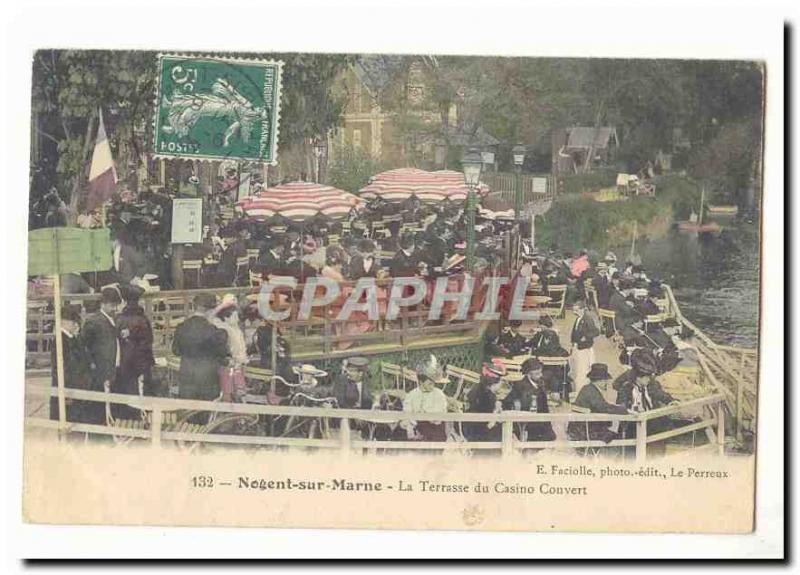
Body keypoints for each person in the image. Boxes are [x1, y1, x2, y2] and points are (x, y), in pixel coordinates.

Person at [172, 293, 229, 401]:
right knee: (206, 414)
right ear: (210, 311)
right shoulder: (215, 332)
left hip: (187, 380)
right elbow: (223, 354)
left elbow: (175, 351)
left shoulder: (182, 327)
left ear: (194, 308)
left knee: (187, 414)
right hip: (208, 382)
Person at [115, 285, 156, 416]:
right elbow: (149, 341)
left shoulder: (119, 319)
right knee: (143, 394)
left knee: (127, 392)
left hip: (124, 361)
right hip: (142, 362)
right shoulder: (143, 320)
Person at [82, 285, 122, 418]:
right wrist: (92, 365)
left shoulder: (115, 318)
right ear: (103, 304)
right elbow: (84, 346)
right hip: (100, 369)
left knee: (113, 403)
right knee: (99, 406)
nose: (115, 308)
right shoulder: (93, 321)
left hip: (114, 366)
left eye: (116, 305)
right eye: (112, 305)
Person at [49, 304, 94, 424]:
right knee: (69, 426)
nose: (76, 325)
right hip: (69, 390)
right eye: (74, 322)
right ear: (64, 321)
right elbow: (63, 369)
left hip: (75, 389)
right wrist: (66, 392)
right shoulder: (61, 340)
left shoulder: (70, 338)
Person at [567, 363, 628, 443]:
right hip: (586, 433)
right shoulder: (591, 391)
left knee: (614, 433)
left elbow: (603, 406)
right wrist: (623, 409)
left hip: (579, 429)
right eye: (605, 380)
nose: (606, 383)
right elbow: (604, 408)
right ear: (599, 380)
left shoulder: (588, 388)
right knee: (619, 437)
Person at [502, 358, 556, 442]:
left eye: (540, 372)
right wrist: (517, 405)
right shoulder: (520, 386)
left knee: (550, 436)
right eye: (537, 373)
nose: (540, 375)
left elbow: (545, 409)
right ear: (528, 374)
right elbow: (507, 403)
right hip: (525, 422)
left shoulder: (540, 384)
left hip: (539, 421)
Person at [402, 355, 449, 441]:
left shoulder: (438, 394)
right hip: (416, 425)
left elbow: (440, 416)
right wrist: (410, 426)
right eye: (429, 384)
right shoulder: (412, 395)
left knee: (434, 436)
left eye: (433, 383)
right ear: (421, 382)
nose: (432, 386)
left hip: (434, 427)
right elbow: (407, 412)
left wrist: (427, 415)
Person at [211, 294, 249, 402]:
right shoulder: (223, 328)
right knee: (227, 391)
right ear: (226, 318)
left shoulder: (236, 329)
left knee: (240, 390)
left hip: (238, 364)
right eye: (234, 316)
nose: (237, 319)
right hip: (228, 364)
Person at [463, 360, 505, 442]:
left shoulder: (477, 389)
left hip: (470, 428)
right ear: (495, 382)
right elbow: (490, 423)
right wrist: (496, 410)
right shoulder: (488, 396)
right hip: (481, 433)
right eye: (501, 381)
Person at [569, 300, 599, 395]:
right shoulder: (578, 318)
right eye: (574, 310)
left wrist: (586, 337)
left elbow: (596, 332)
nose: (574, 312)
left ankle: (581, 392)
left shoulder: (588, 319)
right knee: (577, 369)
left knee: (583, 371)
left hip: (584, 349)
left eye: (576, 310)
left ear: (583, 309)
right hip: (577, 347)